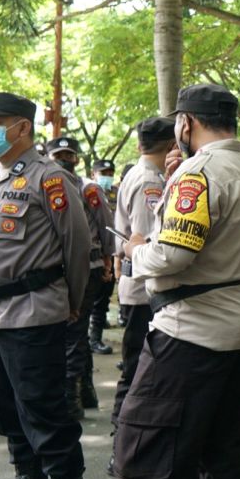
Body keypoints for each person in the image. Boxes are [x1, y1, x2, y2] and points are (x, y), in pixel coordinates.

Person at [100, 83, 240, 479]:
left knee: (151, 441)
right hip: (238, 322)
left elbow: (174, 254)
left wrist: (134, 250)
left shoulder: (200, 173)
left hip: (189, 329)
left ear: (186, 124)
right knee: (225, 442)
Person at [0, 92, 92, 479]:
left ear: (21, 128)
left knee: (44, 410)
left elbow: (77, 248)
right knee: (4, 407)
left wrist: (72, 304)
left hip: (34, 311)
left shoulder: (51, 179)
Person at [108, 117, 173, 457]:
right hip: (144, 290)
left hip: (138, 288)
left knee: (138, 368)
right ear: (169, 146)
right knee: (136, 370)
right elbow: (149, 243)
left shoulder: (138, 173)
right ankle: (122, 444)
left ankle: (128, 441)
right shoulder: (150, 182)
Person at [47, 135, 114, 418]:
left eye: (69, 155)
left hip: (89, 268)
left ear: (77, 158)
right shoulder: (47, 187)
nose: (64, 159)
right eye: (58, 155)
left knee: (73, 330)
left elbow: (106, 226)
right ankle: (85, 389)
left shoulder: (89, 189)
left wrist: (110, 261)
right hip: (57, 270)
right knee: (75, 330)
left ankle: (71, 399)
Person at [88, 157, 119, 354]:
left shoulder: (118, 192)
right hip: (93, 253)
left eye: (110, 174)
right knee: (88, 299)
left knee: (104, 298)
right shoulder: (87, 193)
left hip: (113, 251)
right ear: (93, 174)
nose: (107, 178)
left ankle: (95, 338)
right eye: (103, 174)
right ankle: (85, 338)